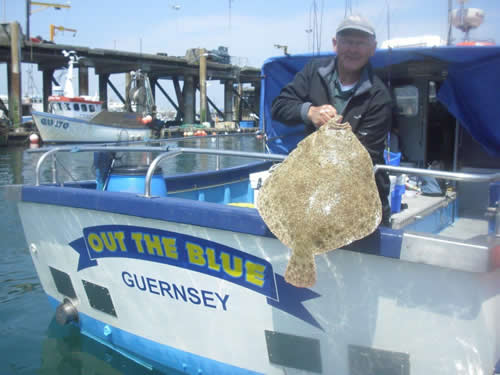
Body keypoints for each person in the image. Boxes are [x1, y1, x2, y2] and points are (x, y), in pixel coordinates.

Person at [271, 14, 392, 225]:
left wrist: (339, 133)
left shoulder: (379, 95)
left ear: (372, 48)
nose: (353, 49)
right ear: (335, 44)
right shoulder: (313, 71)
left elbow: (366, 155)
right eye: (347, 41)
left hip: (359, 198)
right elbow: (279, 107)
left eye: (361, 43)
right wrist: (310, 112)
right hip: (311, 190)